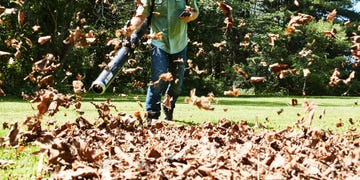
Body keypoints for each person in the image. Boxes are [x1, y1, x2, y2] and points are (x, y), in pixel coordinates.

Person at [122, 0, 199, 122]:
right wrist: (130, 28)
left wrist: (190, 16)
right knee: (158, 77)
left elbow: (195, 12)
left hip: (180, 43)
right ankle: (152, 114)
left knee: (177, 83)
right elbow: (141, 15)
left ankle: (168, 106)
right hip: (159, 43)